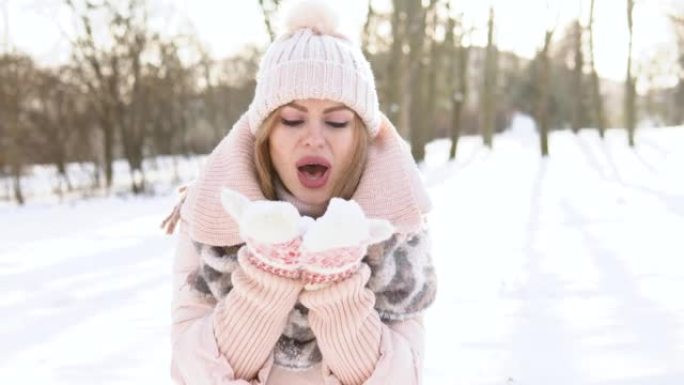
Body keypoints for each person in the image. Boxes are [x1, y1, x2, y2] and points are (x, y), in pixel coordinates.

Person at [163, 1, 437, 384]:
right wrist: (267, 275)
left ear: (362, 137)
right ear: (265, 134)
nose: (314, 138)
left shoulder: (396, 230)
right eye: (291, 120)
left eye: (337, 122)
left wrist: (337, 281)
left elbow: (400, 377)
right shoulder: (213, 217)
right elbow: (192, 373)